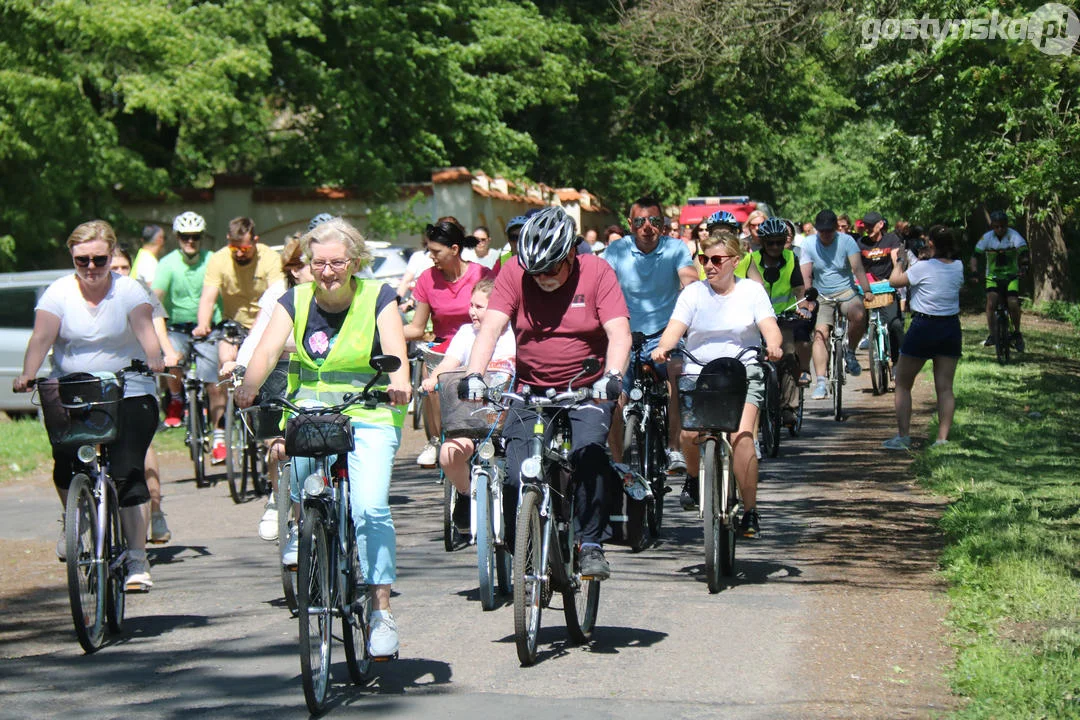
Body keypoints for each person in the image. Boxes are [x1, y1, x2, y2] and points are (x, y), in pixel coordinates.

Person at [236, 217, 411, 657]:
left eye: (335, 263)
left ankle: (380, 609)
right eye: (318, 263)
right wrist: (249, 386)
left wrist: (400, 381)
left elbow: (396, 352)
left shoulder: (378, 297)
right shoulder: (293, 300)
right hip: (310, 412)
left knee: (370, 507)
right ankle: (304, 525)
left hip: (369, 413)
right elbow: (267, 350)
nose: (326, 271)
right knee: (301, 485)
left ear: (354, 263)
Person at [460, 205, 631, 579]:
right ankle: (522, 545)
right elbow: (490, 329)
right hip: (530, 388)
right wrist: (474, 374)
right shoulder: (514, 273)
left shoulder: (597, 272)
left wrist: (613, 376)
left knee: (589, 455)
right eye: (537, 271)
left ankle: (590, 544)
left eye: (552, 268)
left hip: (587, 387)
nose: (544, 278)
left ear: (571, 253)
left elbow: (619, 332)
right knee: (514, 471)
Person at [14, 220, 165, 591]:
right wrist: (28, 373)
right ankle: (75, 519)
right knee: (66, 463)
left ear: (112, 255)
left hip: (129, 388)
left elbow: (146, 329)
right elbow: (42, 336)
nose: (92, 268)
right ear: (73, 257)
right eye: (83, 260)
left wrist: (155, 357)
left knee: (128, 471)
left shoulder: (129, 290)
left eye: (100, 259)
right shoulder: (59, 293)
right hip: (76, 389)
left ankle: (136, 558)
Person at [651, 229, 783, 537]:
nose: (709, 265)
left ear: (735, 261)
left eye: (716, 259)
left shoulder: (751, 291)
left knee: (743, 437)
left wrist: (774, 345)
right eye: (703, 259)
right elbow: (675, 328)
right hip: (701, 373)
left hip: (743, 373)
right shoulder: (693, 293)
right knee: (687, 434)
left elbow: (769, 327)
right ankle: (696, 479)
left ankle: (750, 511)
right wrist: (664, 347)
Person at [223, 234, 313, 542]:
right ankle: (277, 499)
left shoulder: (337, 294)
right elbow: (259, 336)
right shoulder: (279, 292)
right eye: (309, 263)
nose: (320, 269)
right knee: (279, 446)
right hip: (280, 370)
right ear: (294, 269)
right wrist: (242, 368)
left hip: (321, 375)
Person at [603, 196, 698, 474]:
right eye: (640, 221)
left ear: (663, 225)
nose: (647, 227)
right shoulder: (616, 251)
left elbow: (689, 280)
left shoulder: (676, 248)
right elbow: (601, 284)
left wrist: (698, 298)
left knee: (677, 374)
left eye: (654, 221)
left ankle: (674, 448)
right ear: (630, 225)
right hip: (625, 335)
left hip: (664, 334)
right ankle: (619, 464)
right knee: (613, 392)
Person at [422, 279, 516, 530]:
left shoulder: (515, 335)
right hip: (470, 416)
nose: (471, 311)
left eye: (480, 306)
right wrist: (433, 378)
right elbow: (448, 363)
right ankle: (466, 494)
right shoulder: (466, 333)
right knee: (448, 454)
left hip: (509, 418)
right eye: (471, 305)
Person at [194, 217, 285, 463]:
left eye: (245, 248)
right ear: (228, 242)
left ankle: (258, 411)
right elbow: (208, 297)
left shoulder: (269, 258)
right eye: (235, 248)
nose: (240, 253)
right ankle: (221, 431)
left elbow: (279, 295)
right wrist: (203, 323)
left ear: (255, 241)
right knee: (225, 364)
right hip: (233, 323)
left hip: (265, 321)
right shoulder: (219, 259)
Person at [404, 221, 495, 466]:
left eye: (436, 252)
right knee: (430, 373)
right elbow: (417, 328)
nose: (431, 257)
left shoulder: (481, 275)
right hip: (443, 347)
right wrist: (386, 332)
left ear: (454, 249)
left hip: (479, 344)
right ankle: (435, 439)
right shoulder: (427, 279)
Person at [112, 247, 180, 544]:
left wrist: (167, 353)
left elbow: (156, 326)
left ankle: (155, 510)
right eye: (114, 266)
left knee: (142, 446)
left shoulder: (139, 291)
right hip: (97, 382)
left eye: (124, 266)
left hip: (135, 377)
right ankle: (78, 517)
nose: (119, 272)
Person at [884, 225, 964, 449]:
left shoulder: (922, 268)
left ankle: (903, 436)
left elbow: (894, 281)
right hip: (950, 326)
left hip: (923, 325)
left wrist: (899, 261)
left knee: (902, 382)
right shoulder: (958, 267)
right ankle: (942, 439)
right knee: (945, 387)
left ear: (931, 244)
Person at [740, 218, 814, 426]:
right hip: (755, 319)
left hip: (783, 318)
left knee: (788, 354)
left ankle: (789, 407)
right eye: (770, 243)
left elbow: (798, 287)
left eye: (779, 242)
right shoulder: (750, 258)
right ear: (762, 243)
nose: (775, 247)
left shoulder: (791, 257)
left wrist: (801, 307)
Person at [153, 211, 221, 430]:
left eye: (195, 236)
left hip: (208, 327)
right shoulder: (167, 263)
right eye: (185, 236)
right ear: (177, 238)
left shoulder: (212, 259)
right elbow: (156, 297)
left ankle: (220, 434)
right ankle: (175, 397)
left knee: (214, 381)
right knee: (172, 357)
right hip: (177, 326)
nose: (190, 241)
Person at [800, 209, 874, 400]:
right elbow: (806, 274)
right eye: (822, 231)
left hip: (846, 291)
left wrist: (866, 290)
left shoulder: (847, 241)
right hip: (821, 294)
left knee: (858, 314)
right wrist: (808, 299)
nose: (825, 235)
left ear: (835, 229)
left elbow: (857, 268)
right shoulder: (808, 244)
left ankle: (850, 352)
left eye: (829, 231)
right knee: (820, 334)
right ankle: (822, 382)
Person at [970, 210, 1029, 351]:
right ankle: (992, 334)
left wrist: (1025, 266)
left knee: (1013, 303)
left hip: (1011, 276)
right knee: (991, 303)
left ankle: (1017, 332)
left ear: (1006, 225)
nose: (1000, 229)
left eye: (1002, 226)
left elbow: (1023, 252)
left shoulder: (1014, 236)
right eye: (996, 226)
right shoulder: (987, 238)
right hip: (993, 277)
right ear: (992, 226)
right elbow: (975, 256)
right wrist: (974, 272)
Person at [857, 211, 905, 364]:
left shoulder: (891, 239)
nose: (868, 229)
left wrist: (895, 278)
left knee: (894, 324)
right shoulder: (861, 243)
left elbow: (896, 260)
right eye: (866, 226)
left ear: (880, 224)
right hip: (869, 287)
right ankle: (865, 335)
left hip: (888, 286)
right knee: (857, 315)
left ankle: (898, 362)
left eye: (871, 225)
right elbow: (857, 267)